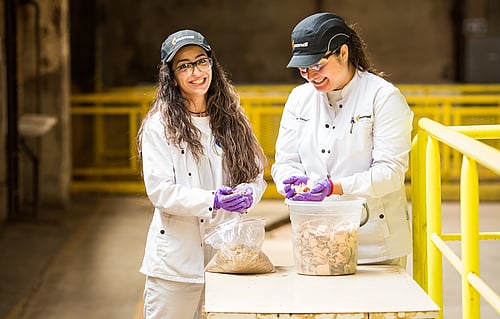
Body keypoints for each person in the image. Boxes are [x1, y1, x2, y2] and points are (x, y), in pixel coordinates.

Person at [136, 29, 267, 319]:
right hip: (176, 262)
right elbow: (161, 191)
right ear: (171, 76)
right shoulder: (160, 125)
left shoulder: (233, 118)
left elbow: (256, 175)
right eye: (184, 66)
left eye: (201, 61)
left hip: (228, 256)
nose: (196, 72)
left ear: (212, 65)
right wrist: (213, 200)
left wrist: (248, 193)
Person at [271, 12, 413, 267]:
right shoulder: (299, 99)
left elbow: (390, 172)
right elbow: (285, 161)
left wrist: (334, 187)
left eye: (317, 66)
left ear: (343, 52)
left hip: (374, 243)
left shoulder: (382, 97)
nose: (311, 76)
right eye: (303, 69)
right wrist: (288, 181)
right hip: (314, 239)